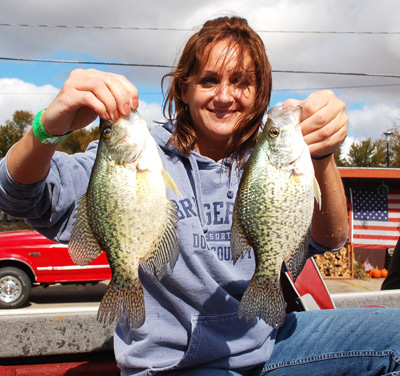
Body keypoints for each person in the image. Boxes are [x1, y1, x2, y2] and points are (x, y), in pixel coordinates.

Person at [0, 16, 399, 376]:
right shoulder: (140, 153)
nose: (224, 96)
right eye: (209, 80)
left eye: (241, 81)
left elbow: (329, 238)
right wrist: (45, 129)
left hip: (271, 343)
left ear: (259, 94)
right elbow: (20, 197)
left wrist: (322, 154)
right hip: (176, 364)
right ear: (184, 88)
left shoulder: (269, 158)